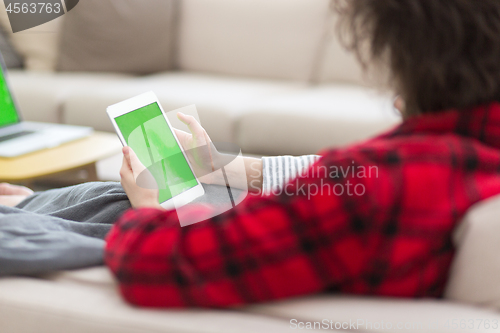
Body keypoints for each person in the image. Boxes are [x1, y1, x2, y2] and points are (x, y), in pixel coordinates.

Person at [3, 0, 500, 307]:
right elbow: (338, 177)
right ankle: (28, 204)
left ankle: (25, 207)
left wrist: (150, 208)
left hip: (159, 244)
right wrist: (225, 167)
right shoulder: (460, 145)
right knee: (80, 198)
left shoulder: (388, 181)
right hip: (233, 221)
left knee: (101, 202)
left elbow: (155, 264)